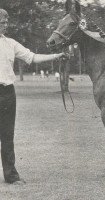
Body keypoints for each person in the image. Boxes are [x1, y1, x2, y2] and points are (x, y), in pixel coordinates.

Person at [0, 8, 66, 185]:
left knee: (7, 136)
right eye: (2, 21)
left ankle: (11, 176)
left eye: (6, 21)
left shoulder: (11, 43)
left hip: (7, 93)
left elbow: (32, 57)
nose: (5, 24)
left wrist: (56, 56)